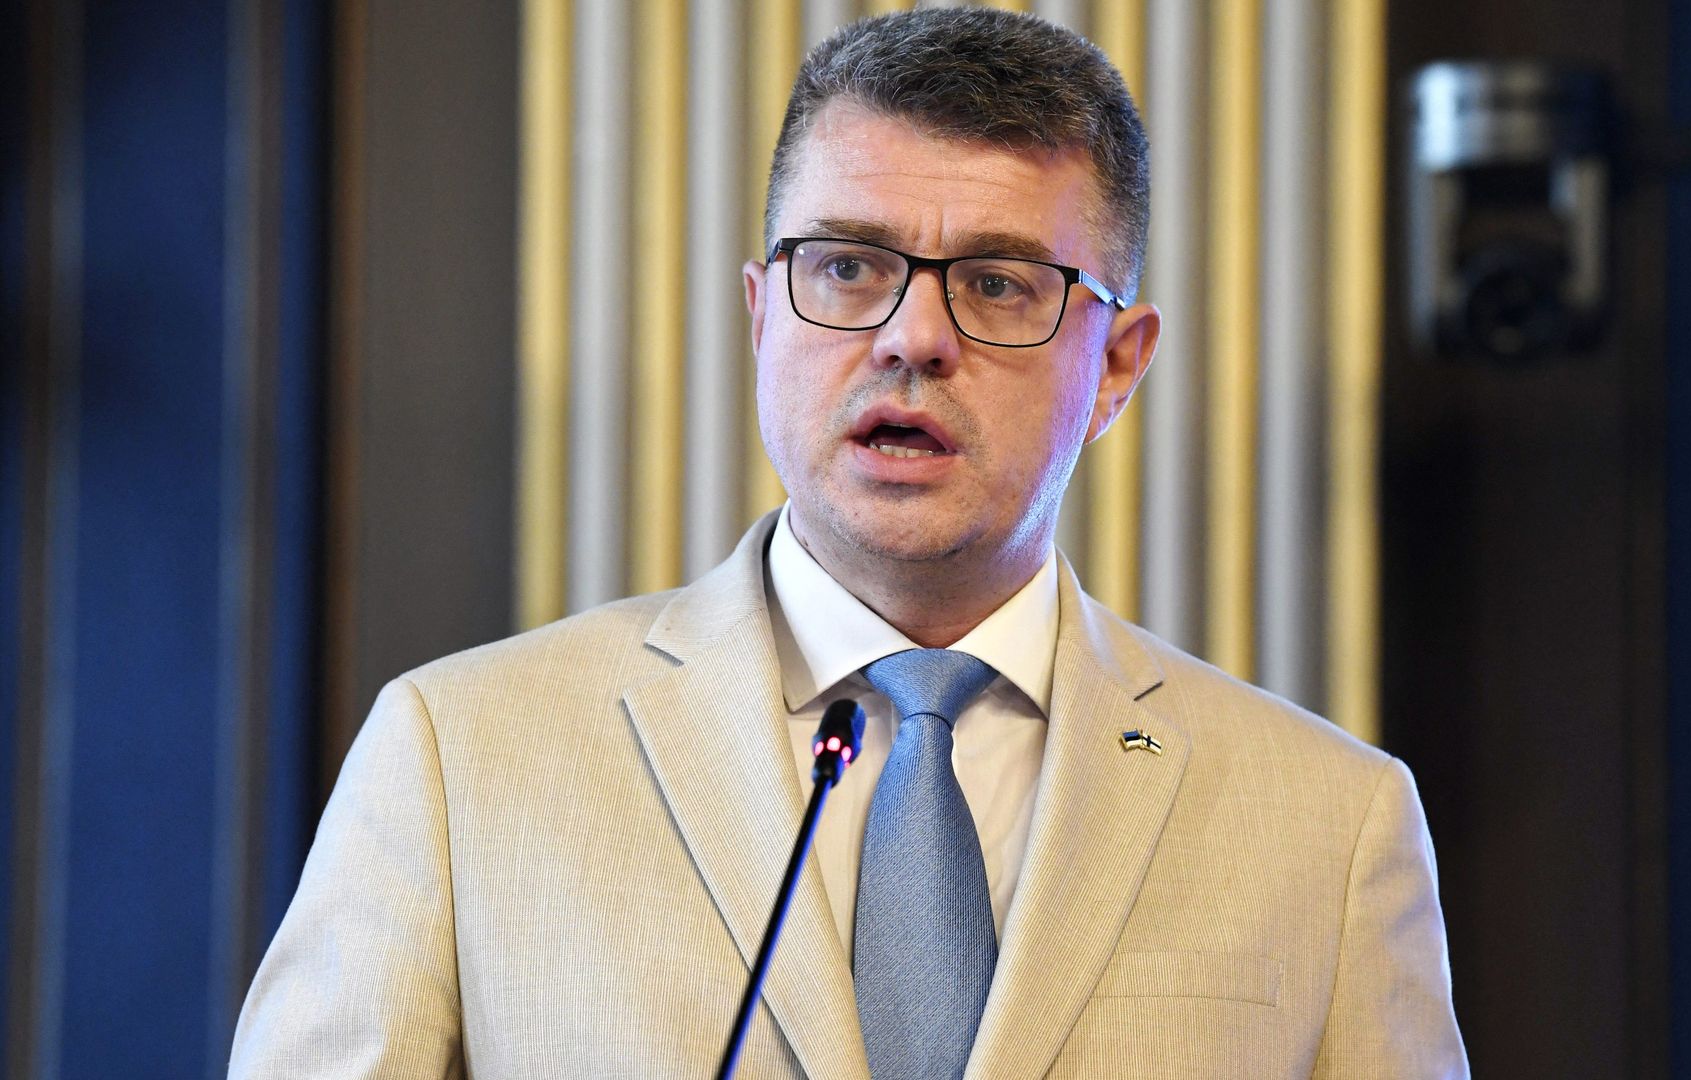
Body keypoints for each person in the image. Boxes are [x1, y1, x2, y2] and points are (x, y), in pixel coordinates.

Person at [230, 8, 1467, 1078]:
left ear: (1117, 368)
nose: (910, 339)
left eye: (998, 284)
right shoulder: (460, 759)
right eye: (847, 266)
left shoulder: (1329, 822)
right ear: (762, 315)